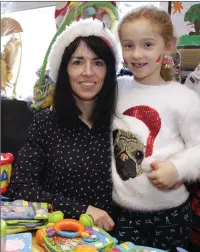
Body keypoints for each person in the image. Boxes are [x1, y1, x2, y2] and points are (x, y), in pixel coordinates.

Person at [110, 6, 200, 251]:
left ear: (168, 46)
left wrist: (177, 168)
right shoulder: (116, 89)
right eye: (128, 45)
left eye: (147, 45)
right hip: (121, 212)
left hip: (170, 215)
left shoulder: (184, 98)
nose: (136, 54)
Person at [7, 18, 120, 232]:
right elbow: (21, 189)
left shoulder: (122, 123)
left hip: (113, 240)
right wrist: (83, 210)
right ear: (64, 70)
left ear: (109, 71)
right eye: (78, 62)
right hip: (56, 236)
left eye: (98, 63)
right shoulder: (45, 123)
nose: (88, 72)